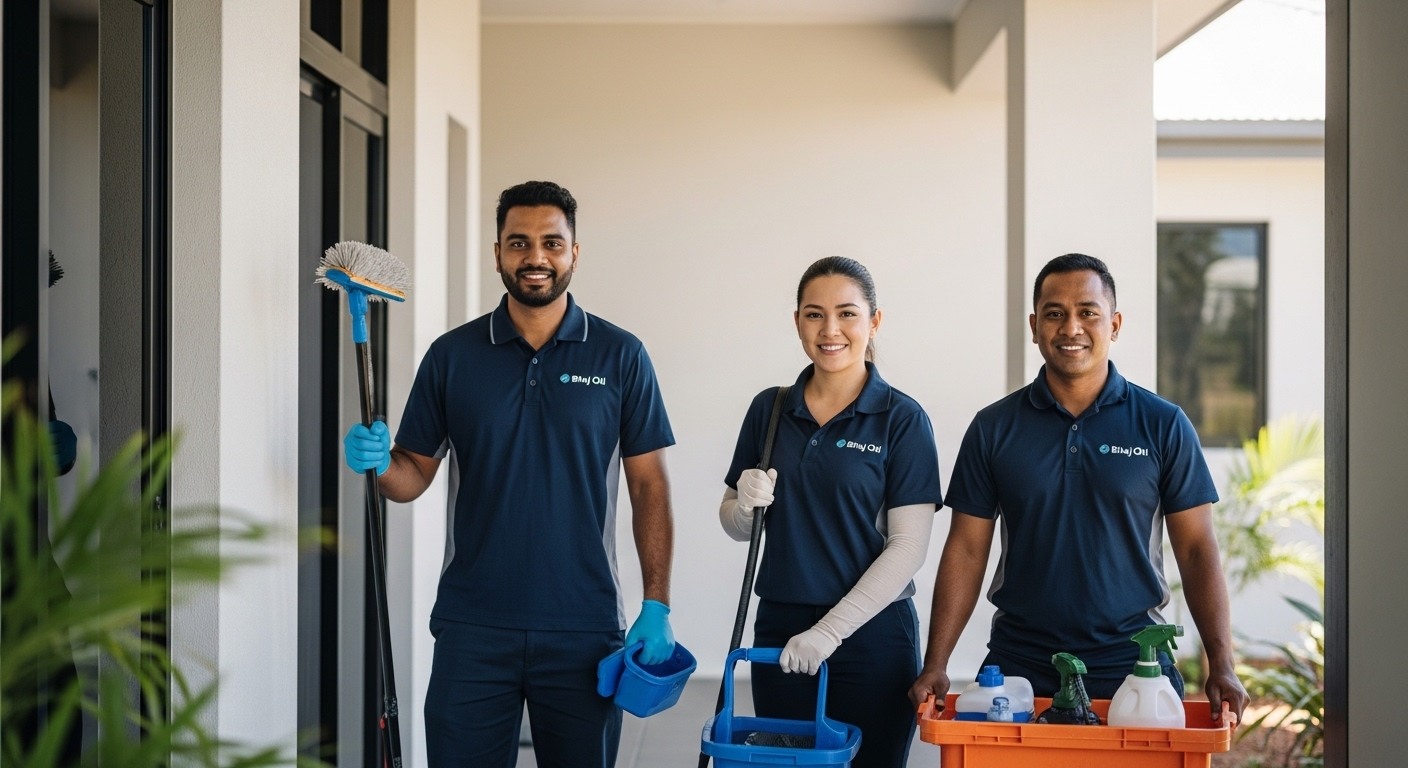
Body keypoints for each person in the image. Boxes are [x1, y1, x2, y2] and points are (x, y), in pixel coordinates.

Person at [343, 180, 677, 767]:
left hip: (584, 624)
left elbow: (649, 484)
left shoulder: (621, 356)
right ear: (497, 252)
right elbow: (412, 476)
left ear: (576, 252)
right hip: (474, 625)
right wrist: (378, 465)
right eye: (519, 243)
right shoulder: (453, 356)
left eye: (552, 242)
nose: (536, 258)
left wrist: (657, 603)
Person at [909, 253, 1250, 725]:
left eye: (1088, 312)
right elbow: (966, 550)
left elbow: (1196, 549)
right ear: (1034, 326)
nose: (1071, 327)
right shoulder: (994, 428)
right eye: (1055, 313)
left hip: (1136, 669)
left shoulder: (1163, 424)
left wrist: (1222, 664)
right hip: (1019, 669)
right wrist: (937, 663)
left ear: (1114, 324)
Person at [720, 256, 942, 768]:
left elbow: (909, 547)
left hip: (872, 637)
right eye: (814, 315)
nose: (831, 330)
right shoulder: (771, 409)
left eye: (847, 313)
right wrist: (745, 506)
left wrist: (829, 631)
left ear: (874, 322)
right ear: (797, 321)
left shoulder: (901, 420)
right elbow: (735, 524)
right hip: (780, 630)